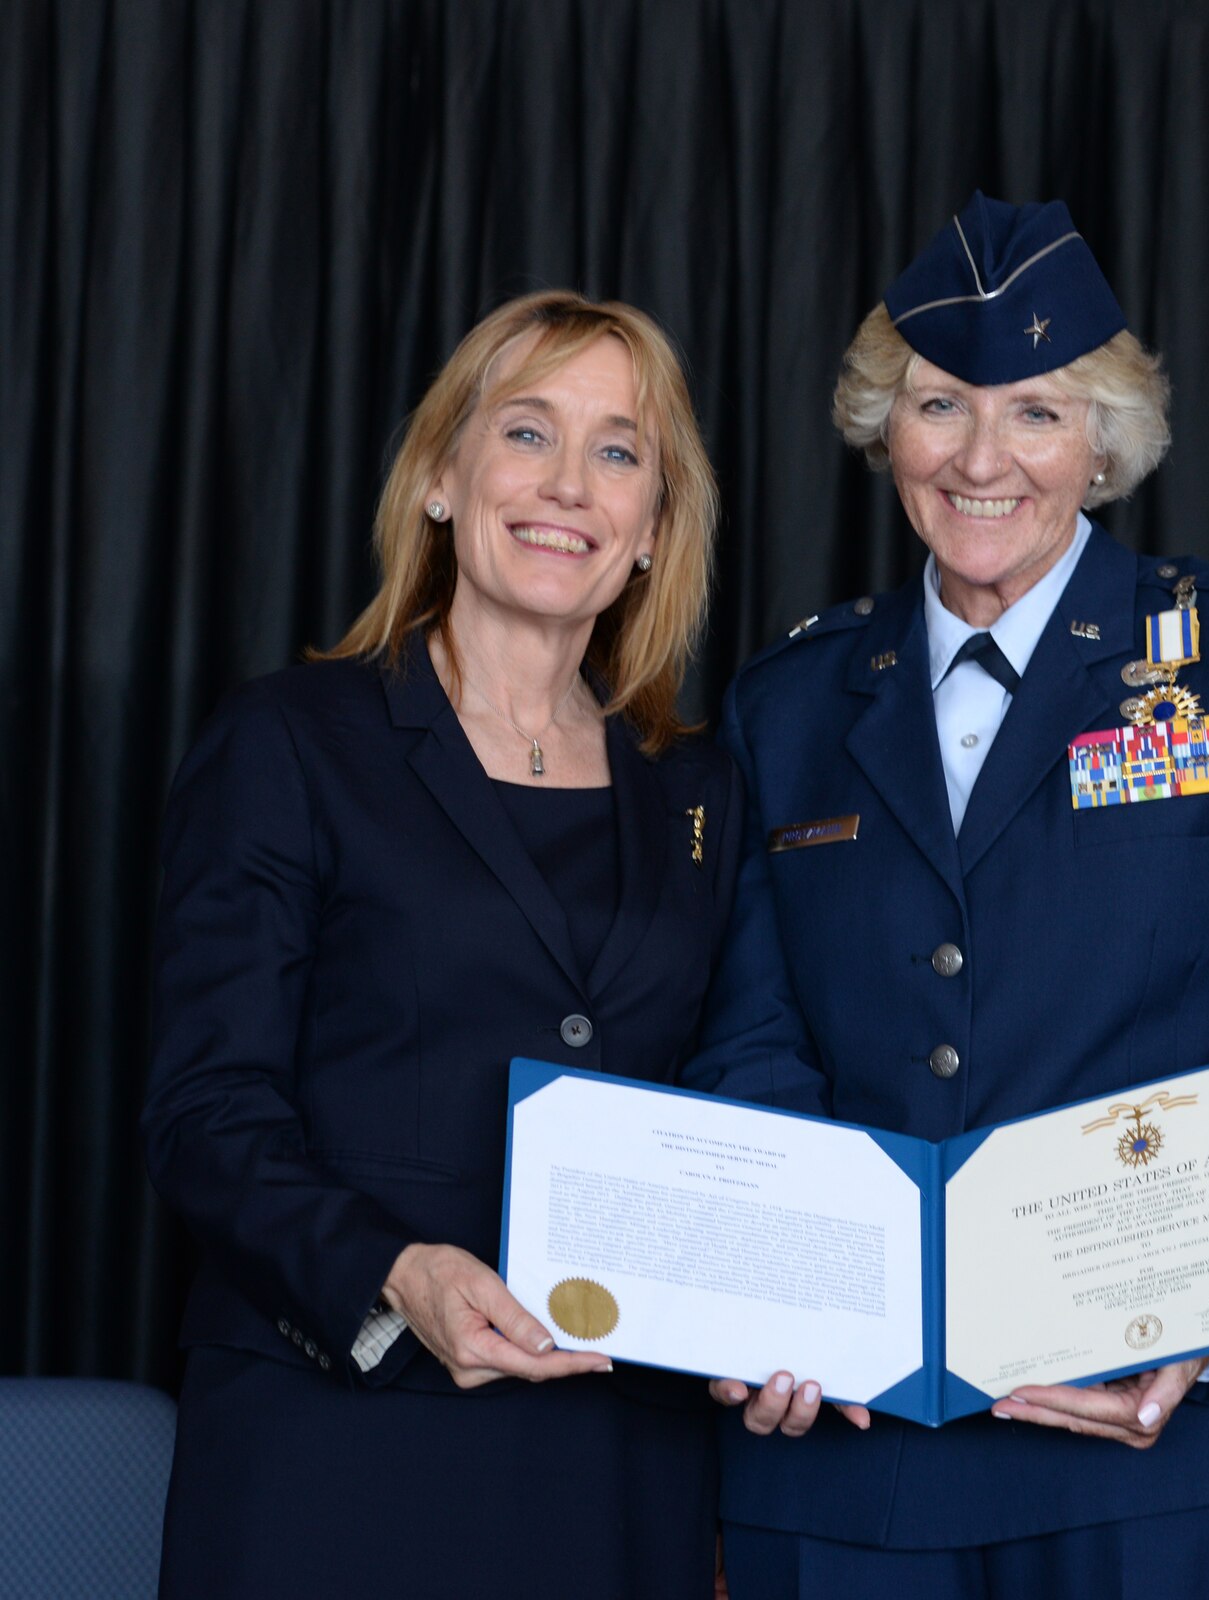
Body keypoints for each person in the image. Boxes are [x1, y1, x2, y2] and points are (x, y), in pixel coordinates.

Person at [679, 191, 1209, 1600]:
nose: (983, 459)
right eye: (942, 407)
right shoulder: (795, 699)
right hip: (855, 1454)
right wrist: (777, 1296)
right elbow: (752, 1039)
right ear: (887, 430)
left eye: (1039, 413)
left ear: (1106, 442)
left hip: (1161, 1448)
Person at [142, 290, 740, 1597]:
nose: (569, 485)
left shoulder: (699, 788)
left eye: (619, 451)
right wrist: (390, 1276)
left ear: (651, 531)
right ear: (438, 480)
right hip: (338, 1436)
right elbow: (205, 1112)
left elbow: (733, 1092)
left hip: (617, 1458)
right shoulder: (290, 743)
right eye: (528, 433)